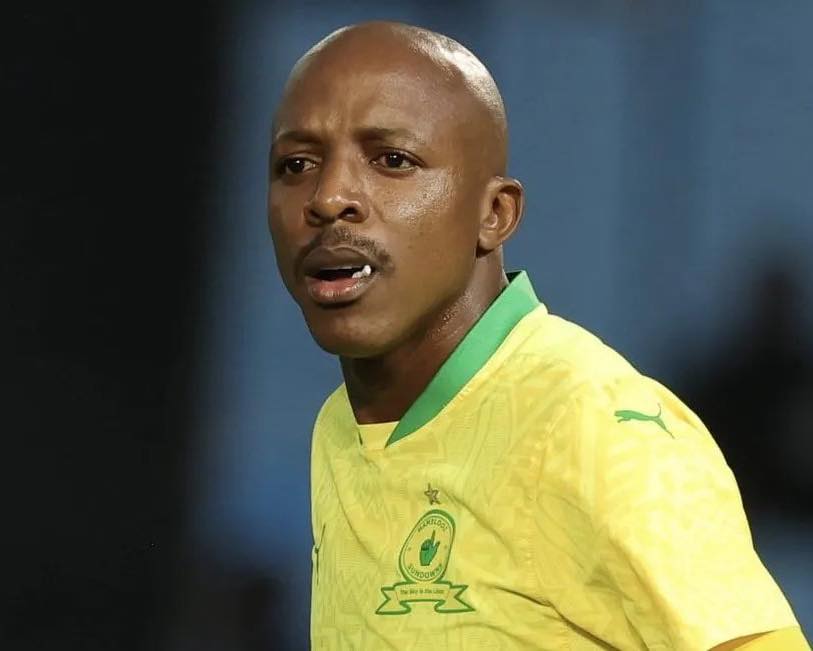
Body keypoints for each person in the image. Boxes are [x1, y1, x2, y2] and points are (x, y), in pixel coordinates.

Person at [266, 21, 808, 650]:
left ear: (494, 214)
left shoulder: (592, 425)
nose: (329, 196)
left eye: (392, 160)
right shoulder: (341, 424)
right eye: (297, 164)